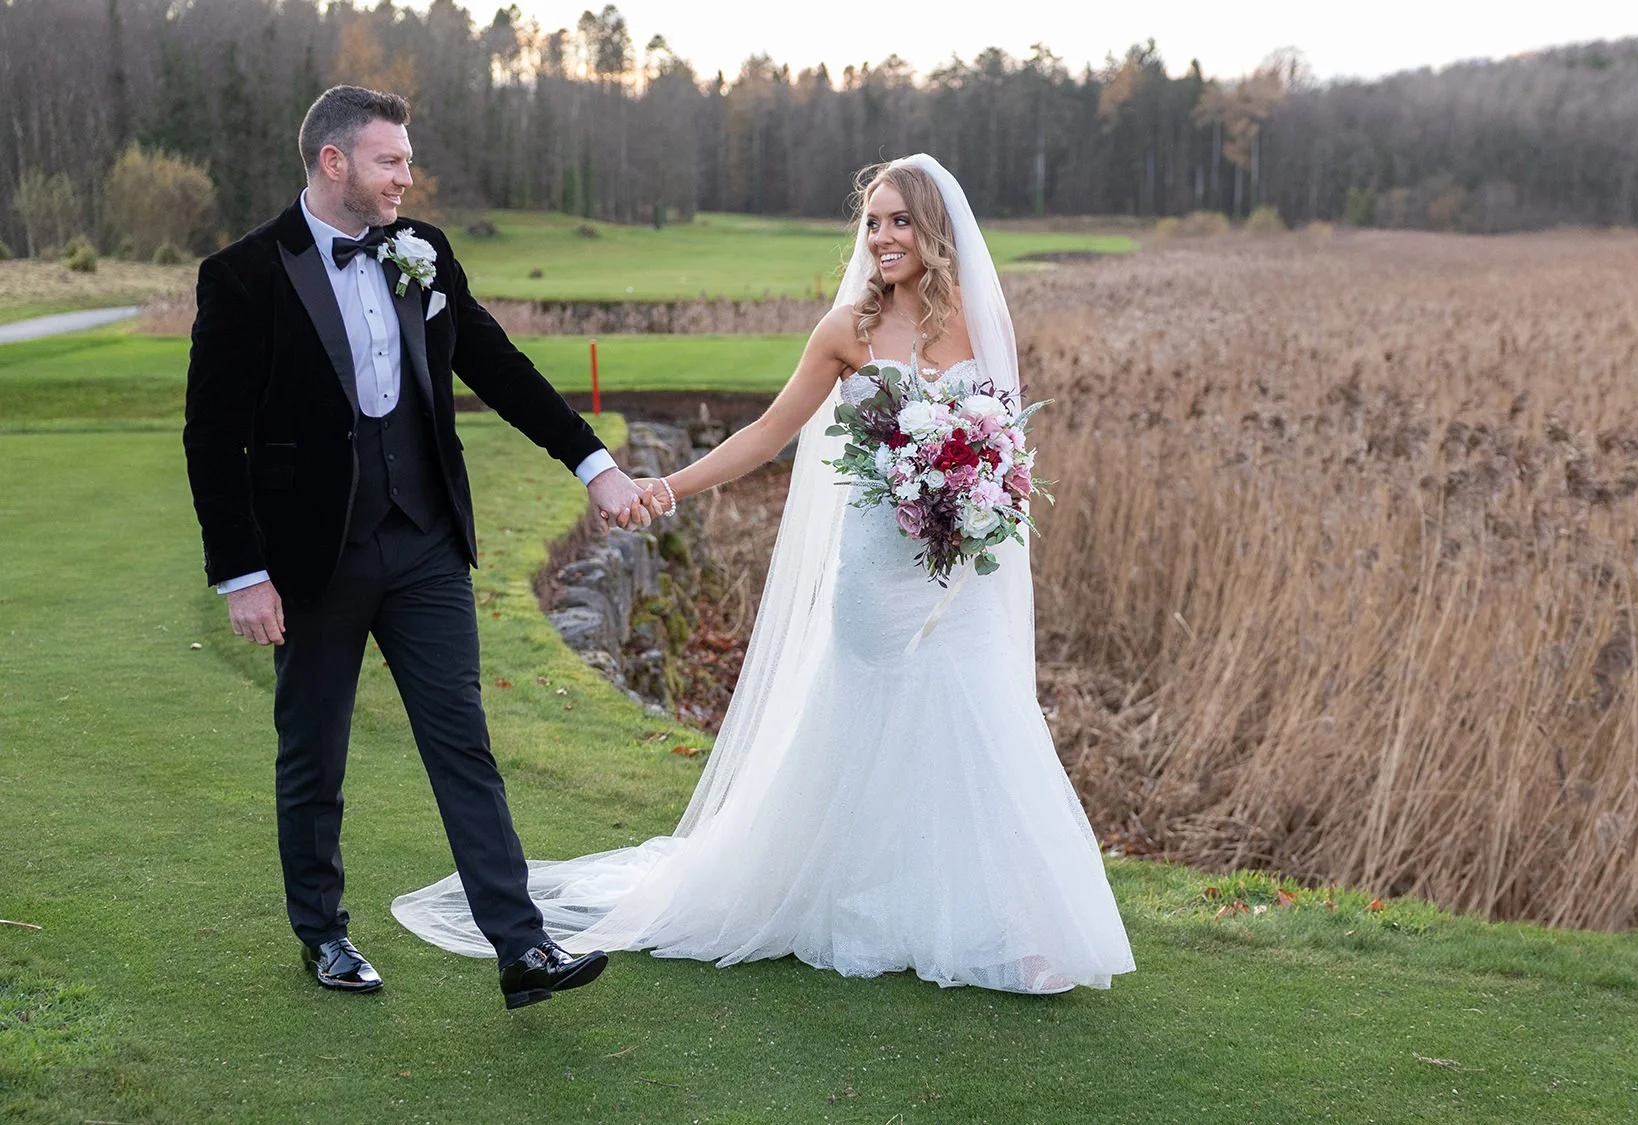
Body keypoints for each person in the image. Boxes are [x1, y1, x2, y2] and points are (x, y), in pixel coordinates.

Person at [394, 155, 1135, 994]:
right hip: (874, 573)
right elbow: (767, 433)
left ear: (934, 229)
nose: (883, 237)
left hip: (958, 575)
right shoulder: (845, 332)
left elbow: (1005, 444)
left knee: (981, 722)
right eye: (873, 222)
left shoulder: (978, 318)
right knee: (870, 727)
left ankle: (1005, 920)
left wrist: (979, 493)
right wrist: (666, 487)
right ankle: (852, 898)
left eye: (900, 221)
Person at [184, 85, 655, 1009]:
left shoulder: (423, 251)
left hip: (427, 544)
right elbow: (213, 437)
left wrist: (592, 462)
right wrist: (241, 572)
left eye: (407, 158)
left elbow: (499, 366)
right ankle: (323, 933)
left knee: (463, 744)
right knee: (314, 753)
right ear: (334, 163)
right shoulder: (242, 275)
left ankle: (522, 946)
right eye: (390, 160)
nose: (407, 175)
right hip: (313, 560)